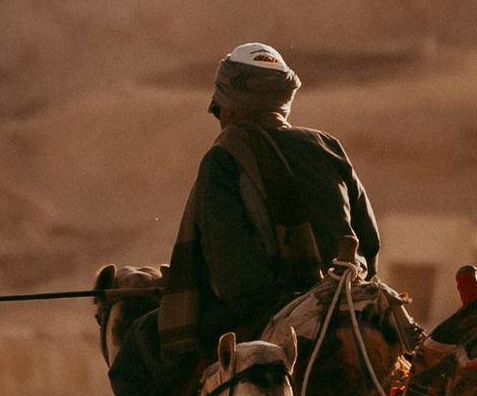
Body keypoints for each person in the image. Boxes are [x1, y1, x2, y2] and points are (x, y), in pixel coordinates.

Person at [155, 41, 381, 376]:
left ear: (231, 106)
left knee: (140, 347)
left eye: (219, 105)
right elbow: (370, 243)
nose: (218, 115)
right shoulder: (327, 145)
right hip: (347, 300)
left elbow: (233, 268)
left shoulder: (224, 158)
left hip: (262, 312)